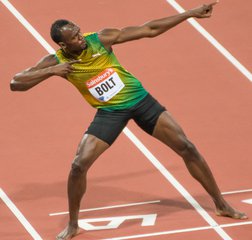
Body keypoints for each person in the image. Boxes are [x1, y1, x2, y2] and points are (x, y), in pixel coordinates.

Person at [11, 1, 247, 239]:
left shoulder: (100, 39)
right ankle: (73, 224)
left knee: (187, 147)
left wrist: (190, 14)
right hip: (110, 113)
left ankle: (221, 204)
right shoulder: (56, 61)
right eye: (75, 37)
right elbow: (16, 83)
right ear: (63, 44)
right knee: (78, 165)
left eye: (79, 32)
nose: (81, 38)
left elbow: (149, 29)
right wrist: (50, 71)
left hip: (141, 102)